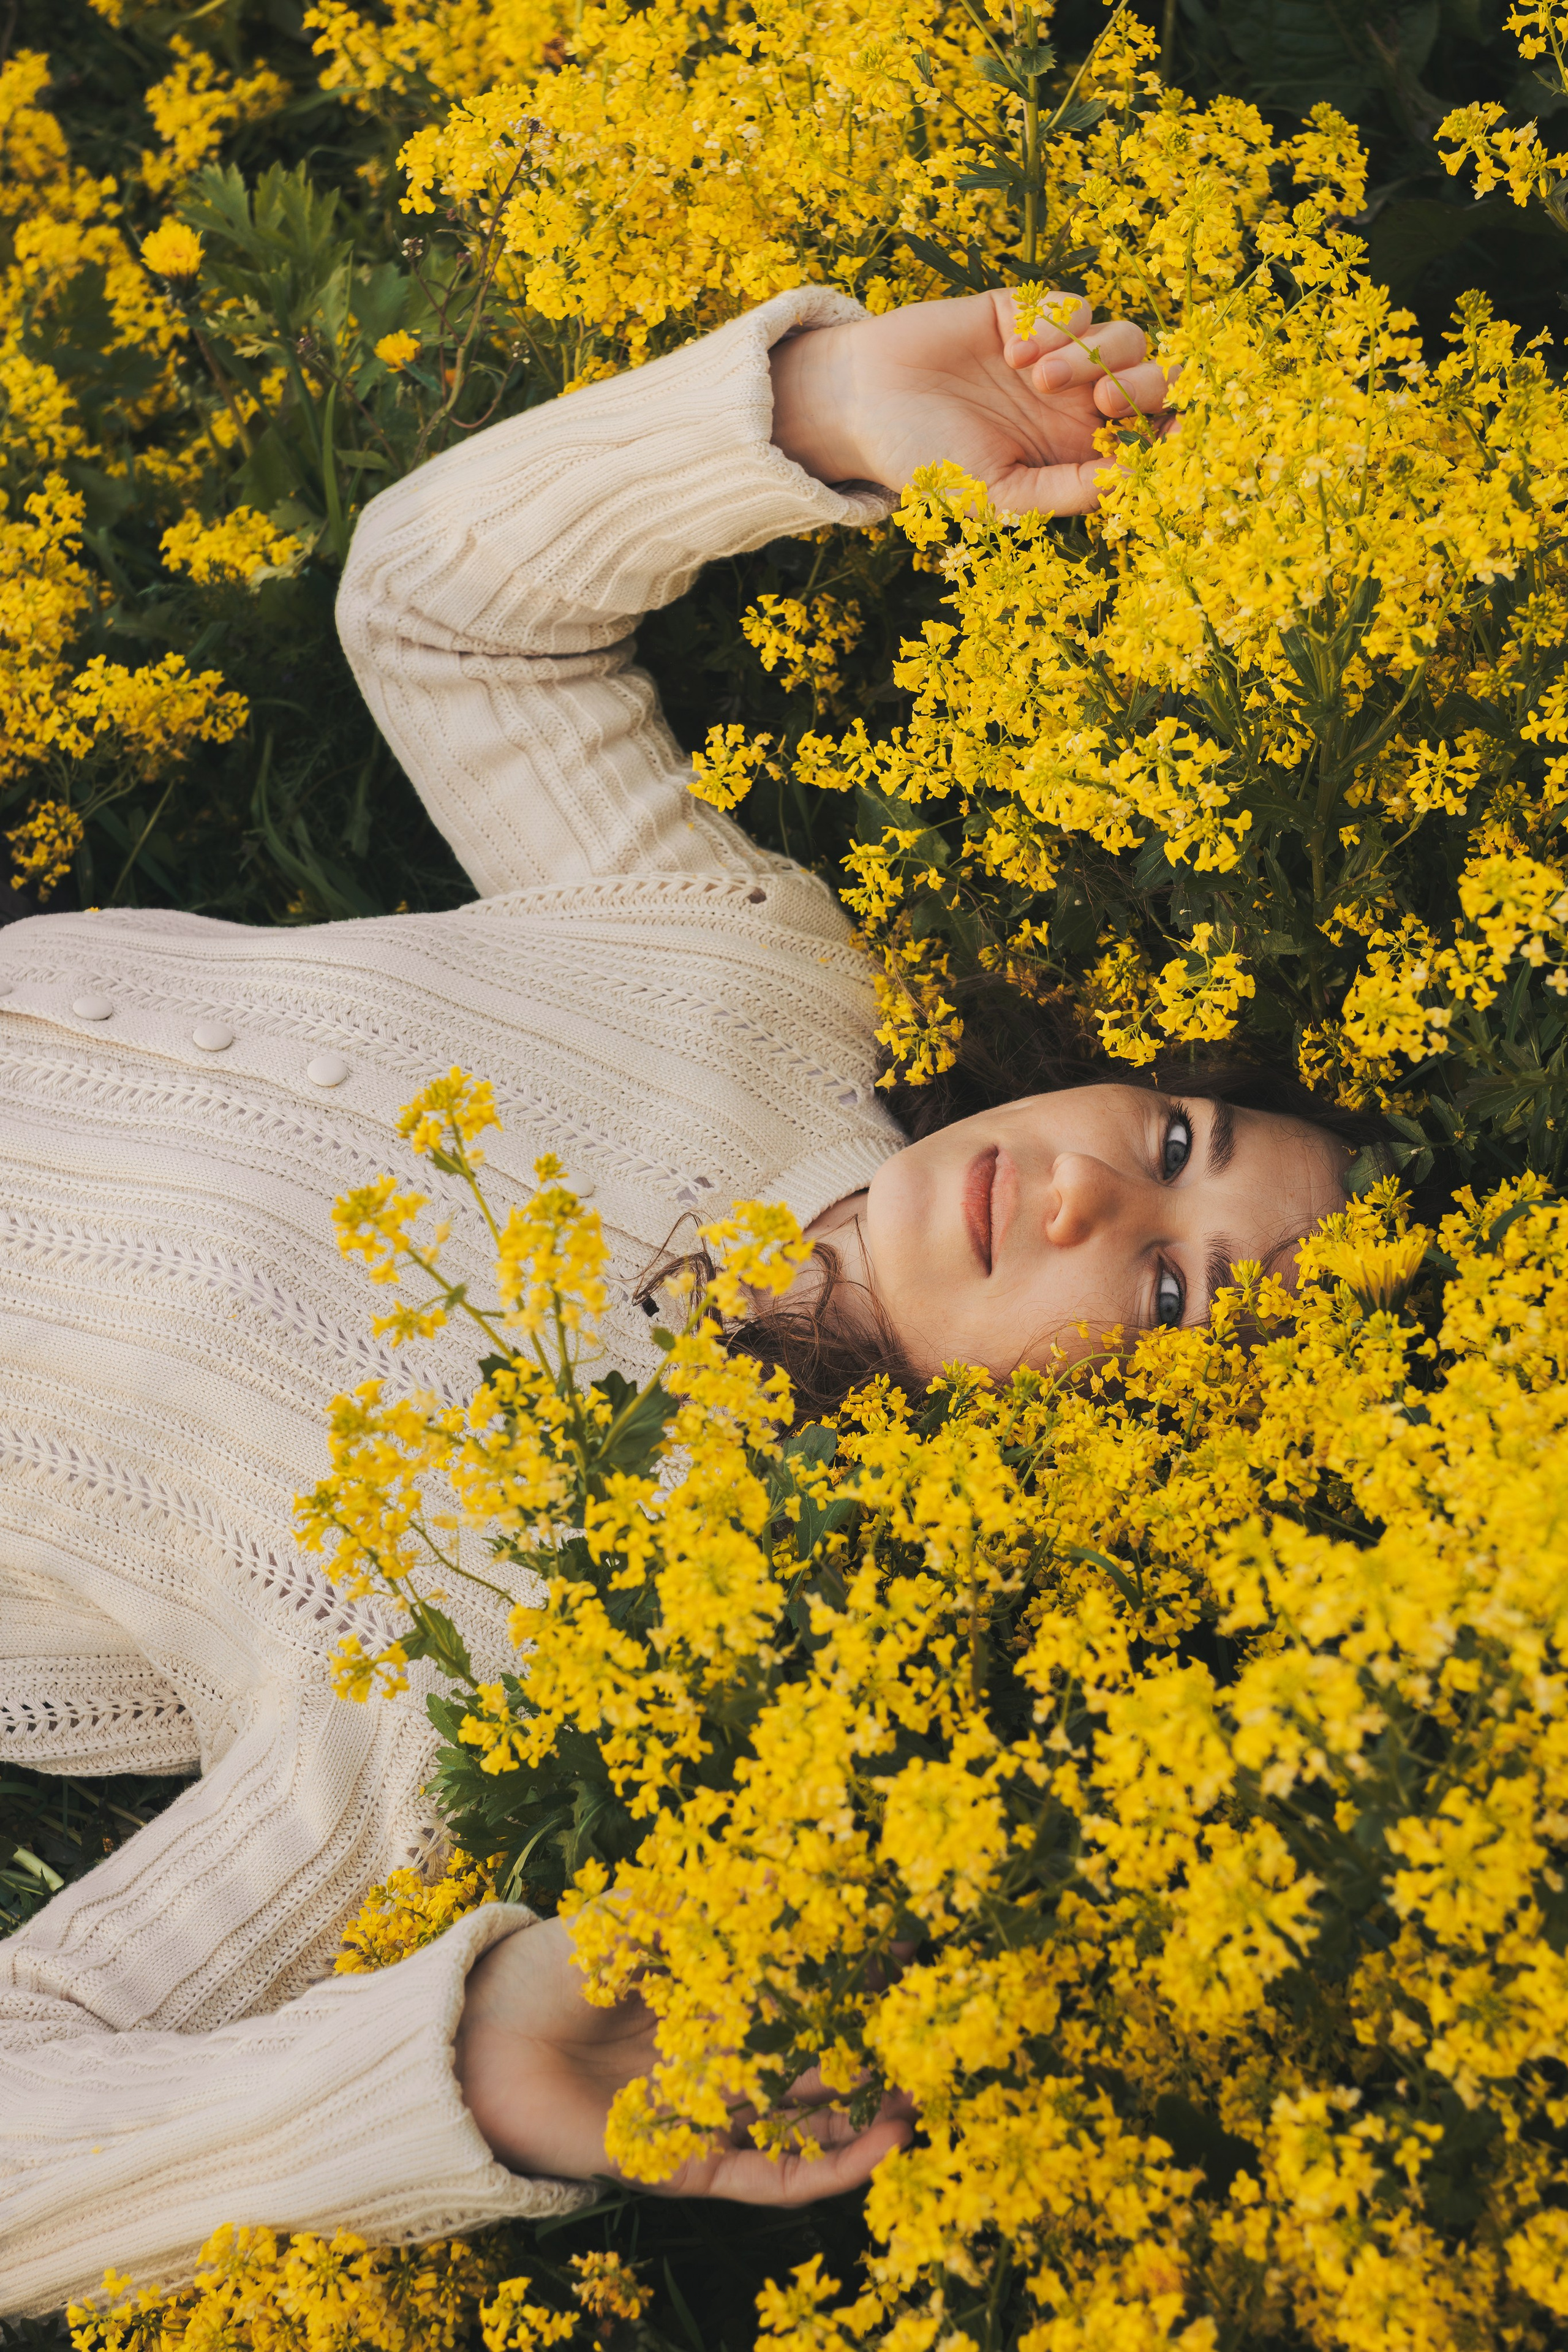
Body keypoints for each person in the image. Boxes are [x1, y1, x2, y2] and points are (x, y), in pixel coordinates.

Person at [0, 284, 1363, 2318]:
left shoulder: (508, 1664)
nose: (1083, 1186)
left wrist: (451, 2071)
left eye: (1170, 1300)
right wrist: (812, 410)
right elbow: (447, 620)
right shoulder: (765, 979)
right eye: (1172, 1140)